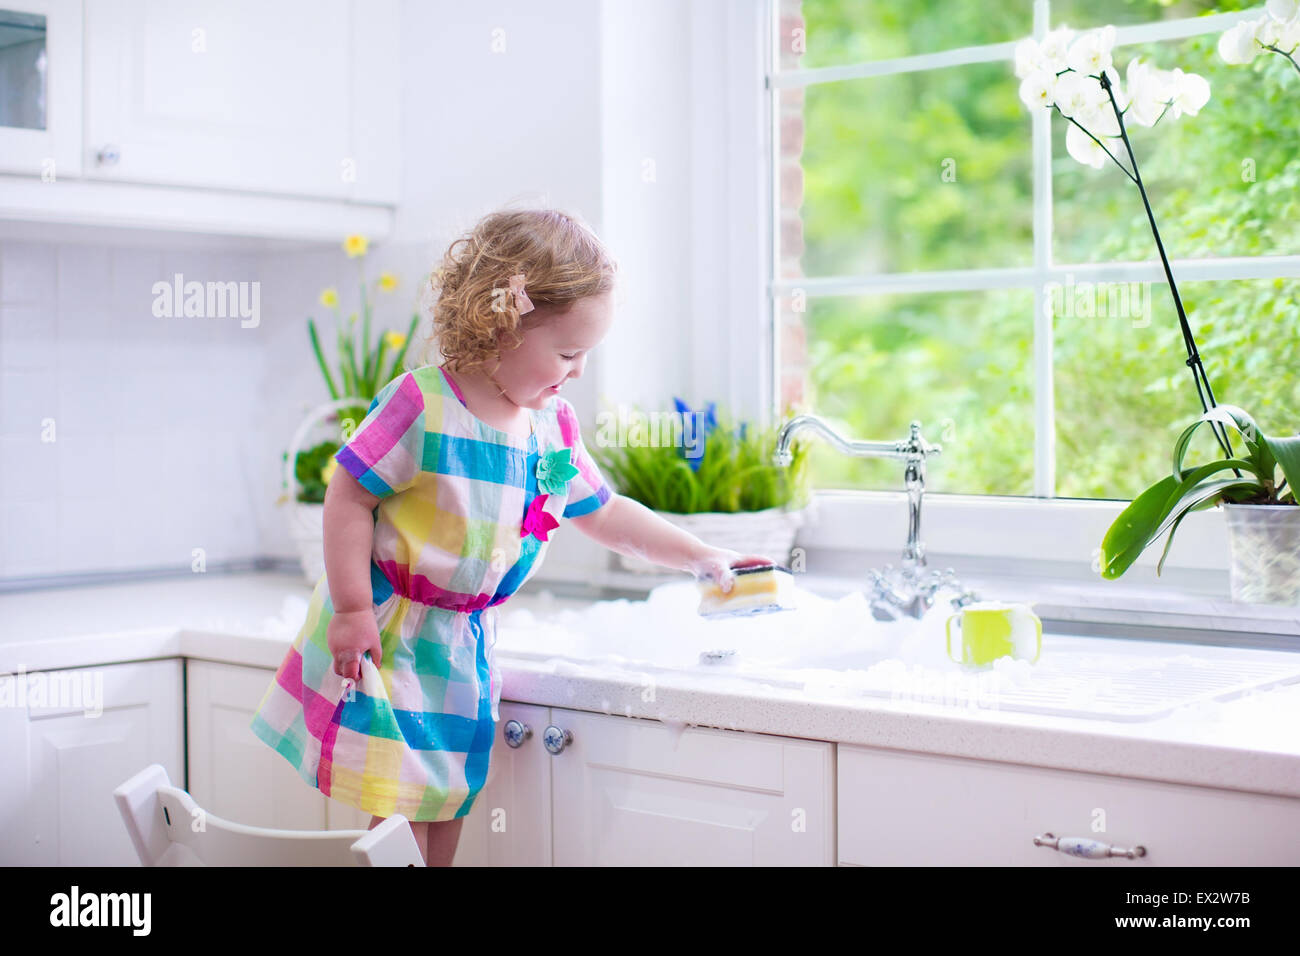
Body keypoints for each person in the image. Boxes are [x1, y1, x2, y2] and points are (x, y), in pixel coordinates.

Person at [249, 208, 772, 866]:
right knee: (399, 814)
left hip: (466, 647)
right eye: (568, 352)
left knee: (447, 803)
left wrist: (698, 553)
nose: (579, 370)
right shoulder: (422, 403)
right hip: (395, 637)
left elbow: (604, 513)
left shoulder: (550, 426)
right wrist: (352, 609)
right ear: (501, 323)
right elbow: (349, 492)